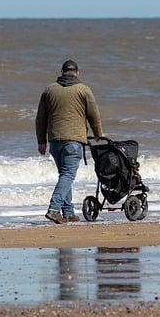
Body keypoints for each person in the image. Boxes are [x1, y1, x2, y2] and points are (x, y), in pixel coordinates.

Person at [35, 60, 104, 224]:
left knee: (64, 175)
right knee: (67, 175)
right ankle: (53, 209)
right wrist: (98, 134)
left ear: (61, 72)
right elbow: (94, 115)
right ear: (77, 72)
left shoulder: (49, 90)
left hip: (55, 141)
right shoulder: (84, 90)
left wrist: (41, 141)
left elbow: (40, 119)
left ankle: (68, 213)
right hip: (73, 141)